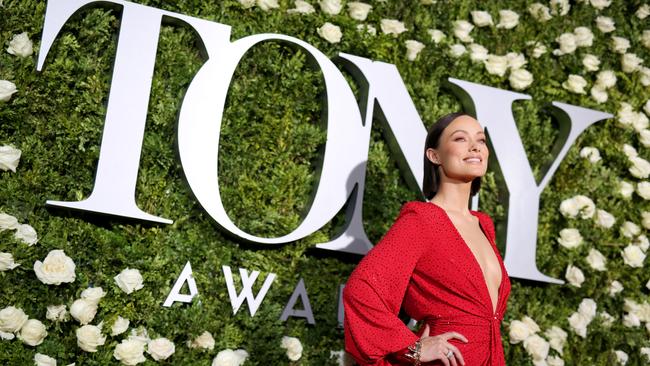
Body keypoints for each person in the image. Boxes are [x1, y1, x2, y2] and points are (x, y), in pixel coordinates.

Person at [343, 112, 511, 365]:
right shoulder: (423, 220)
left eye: (481, 140)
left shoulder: (483, 224)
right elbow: (361, 291)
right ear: (434, 155)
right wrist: (412, 348)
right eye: (460, 139)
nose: (476, 146)